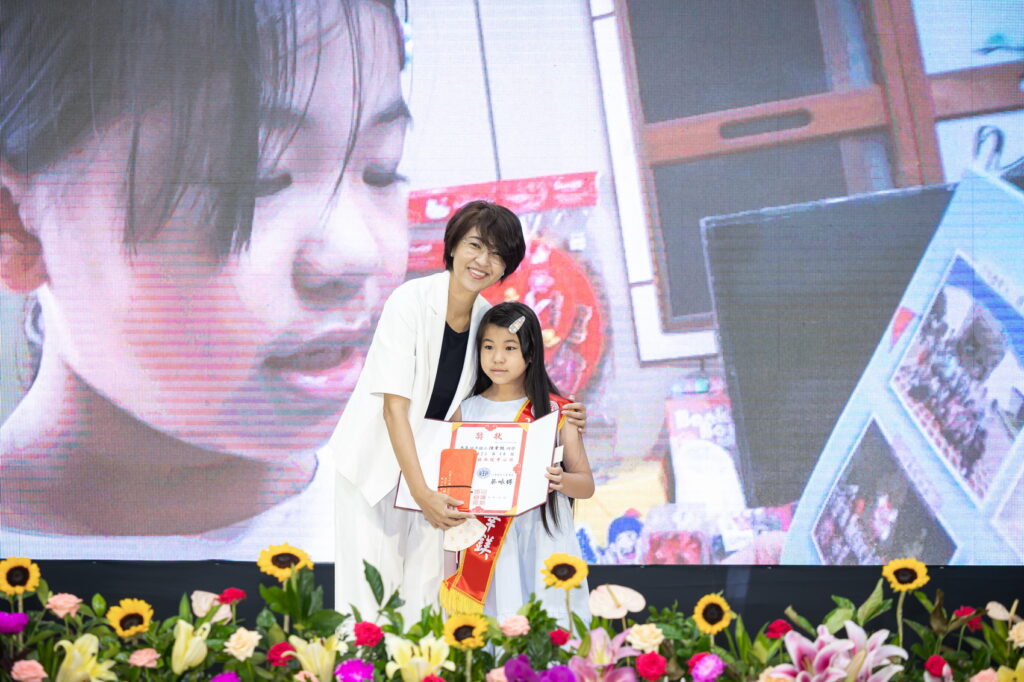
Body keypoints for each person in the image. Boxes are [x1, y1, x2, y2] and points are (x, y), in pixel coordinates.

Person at [0, 0, 409, 560]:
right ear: (16, 224)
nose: (355, 254)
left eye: (381, 170)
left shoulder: (439, 522)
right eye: (256, 180)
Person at [327, 204, 586, 621]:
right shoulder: (409, 300)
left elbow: (505, 390)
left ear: (507, 267)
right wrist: (422, 493)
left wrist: (562, 412)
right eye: (475, 245)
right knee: (368, 602)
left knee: (425, 604)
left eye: (497, 254)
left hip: (437, 478)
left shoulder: (486, 319)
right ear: (452, 247)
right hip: (376, 468)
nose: (483, 261)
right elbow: (394, 410)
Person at [445, 301, 594, 625]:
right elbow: (452, 483)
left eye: (509, 348)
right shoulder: (464, 411)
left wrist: (561, 481)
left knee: (549, 624)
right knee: (498, 622)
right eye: (488, 347)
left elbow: (585, 485)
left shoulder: (557, 411)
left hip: (542, 536)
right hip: (487, 542)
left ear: (531, 353)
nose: (497, 358)